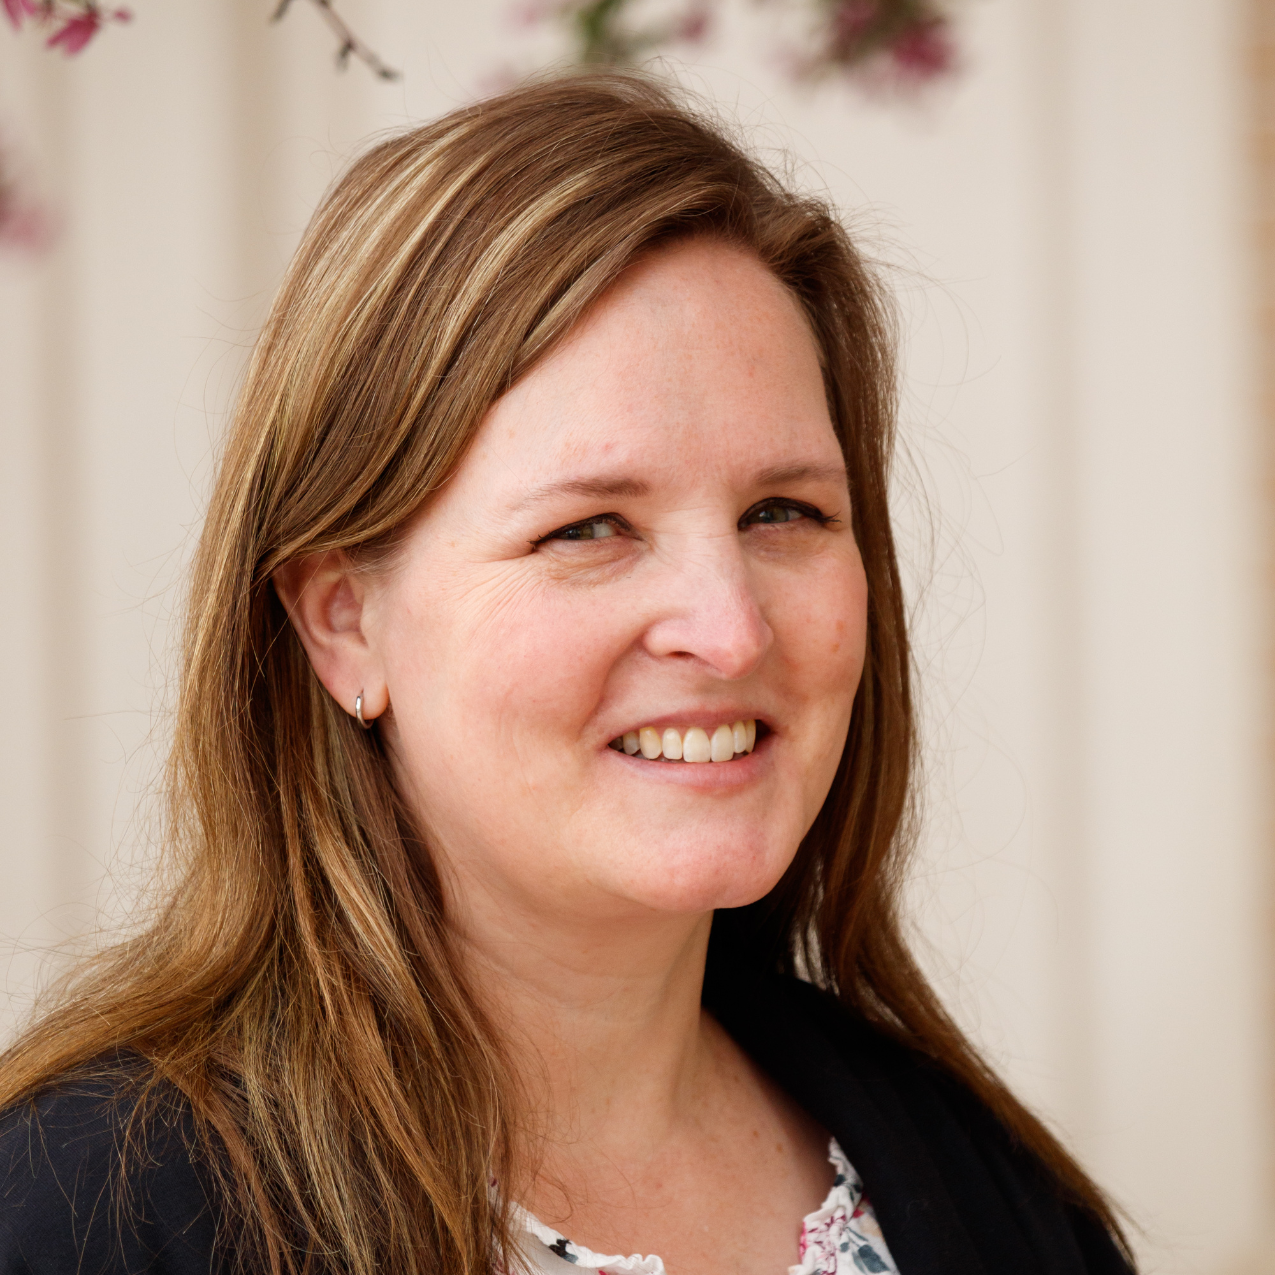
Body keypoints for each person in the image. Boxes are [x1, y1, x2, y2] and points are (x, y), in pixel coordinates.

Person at [0, 72, 1134, 1275]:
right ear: (344, 623)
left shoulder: (994, 1201)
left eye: (784, 511)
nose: (731, 631)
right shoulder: (88, 1219)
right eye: (590, 528)